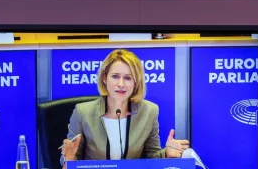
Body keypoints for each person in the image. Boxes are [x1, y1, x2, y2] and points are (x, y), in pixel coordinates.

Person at [60, 49, 189, 167]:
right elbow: (70, 161)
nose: (121, 84)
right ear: (104, 78)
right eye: (115, 76)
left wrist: (166, 153)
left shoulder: (149, 111)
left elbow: (151, 159)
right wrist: (69, 158)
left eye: (128, 78)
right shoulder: (83, 113)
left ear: (136, 82)